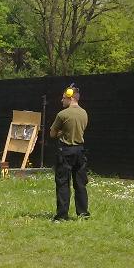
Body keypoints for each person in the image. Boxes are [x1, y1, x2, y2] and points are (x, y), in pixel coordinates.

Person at [48, 84, 89, 221]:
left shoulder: (62, 114)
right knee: (80, 184)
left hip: (66, 151)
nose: (62, 100)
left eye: (64, 98)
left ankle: (62, 216)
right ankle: (83, 214)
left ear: (70, 98)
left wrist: (61, 133)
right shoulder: (84, 113)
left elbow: (52, 133)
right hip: (80, 151)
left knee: (63, 183)